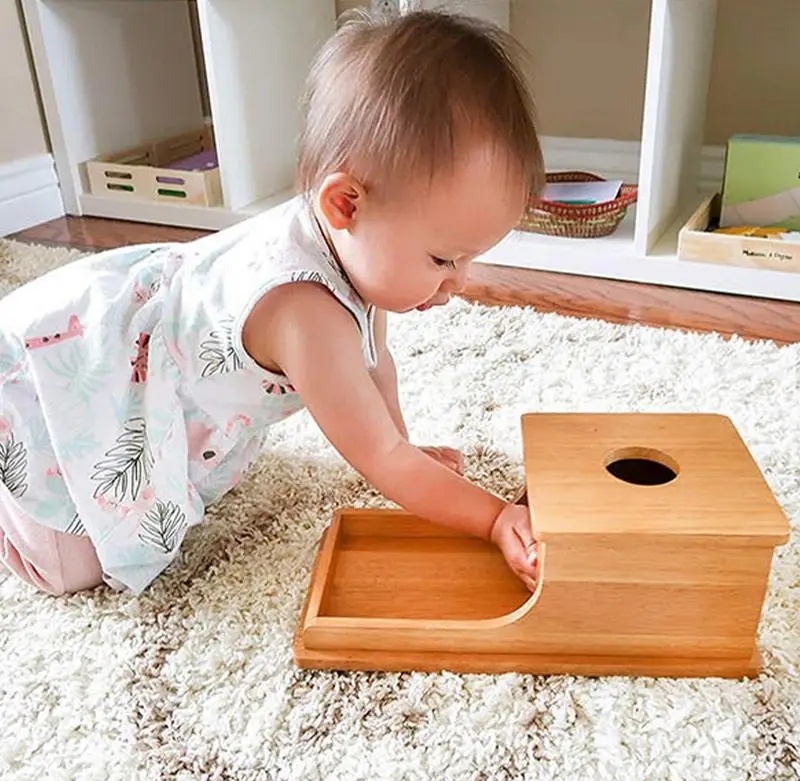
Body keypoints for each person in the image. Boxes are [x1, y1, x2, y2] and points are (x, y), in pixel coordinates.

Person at [0, 9, 544, 597]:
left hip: (166, 354)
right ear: (345, 204)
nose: (461, 281)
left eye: (469, 259)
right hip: (85, 373)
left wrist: (407, 444)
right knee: (70, 566)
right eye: (443, 259)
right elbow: (381, 458)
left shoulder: (357, 253)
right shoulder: (305, 314)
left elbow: (375, 365)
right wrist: (494, 517)